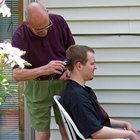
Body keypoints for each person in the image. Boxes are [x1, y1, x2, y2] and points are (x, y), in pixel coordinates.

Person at [12, 2, 75, 140]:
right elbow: (17, 75)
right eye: (39, 30)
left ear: (47, 12)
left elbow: (72, 52)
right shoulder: (19, 36)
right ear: (27, 24)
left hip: (62, 82)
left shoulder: (58, 21)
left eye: (47, 26)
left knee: (67, 129)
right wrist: (44, 69)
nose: (45, 31)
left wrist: (69, 69)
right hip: (37, 88)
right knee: (43, 135)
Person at [60, 44, 140, 140]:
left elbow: (96, 120)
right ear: (79, 65)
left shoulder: (80, 91)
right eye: (92, 63)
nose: (95, 67)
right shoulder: (77, 96)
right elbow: (96, 133)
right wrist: (129, 134)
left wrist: (125, 124)